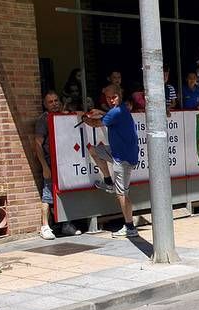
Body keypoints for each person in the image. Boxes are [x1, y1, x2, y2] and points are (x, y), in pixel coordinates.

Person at [82, 84, 140, 238]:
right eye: (108, 98)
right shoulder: (119, 110)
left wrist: (83, 116)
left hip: (123, 159)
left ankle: (130, 228)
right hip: (117, 153)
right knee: (94, 151)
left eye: (113, 97)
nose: (110, 100)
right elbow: (107, 115)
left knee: (121, 194)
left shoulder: (116, 112)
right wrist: (100, 112)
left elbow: (95, 124)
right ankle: (108, 181)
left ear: (119, 95)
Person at [34, 91, 81, 239]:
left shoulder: (63, 116)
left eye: (56, 100)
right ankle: (45, 226)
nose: (54, 103)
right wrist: (44, 167)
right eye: (50, 102)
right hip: (50, 163)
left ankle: (66, 224)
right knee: (47, 195)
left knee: (65, 194)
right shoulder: (43, 120)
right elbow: (37, 144)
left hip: (65, 163)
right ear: (45, 104)